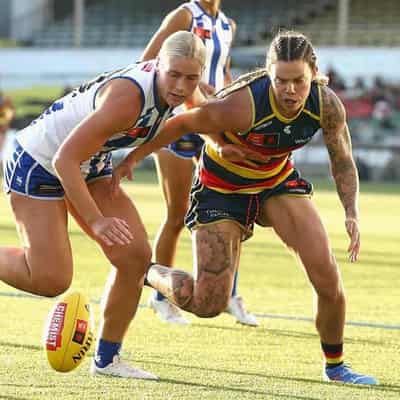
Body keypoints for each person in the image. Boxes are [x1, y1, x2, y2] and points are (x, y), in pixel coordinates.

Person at [112, 31, 378, 385]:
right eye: (280, 80)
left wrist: (351, 212)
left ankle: (336, 367)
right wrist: (133, 158)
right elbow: (182, 123)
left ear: (313, 73)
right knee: (208, 303)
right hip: (221, 191)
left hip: (275, 184)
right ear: (268, 74)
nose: (289, 90)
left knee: (327, 276)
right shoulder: (241, 106)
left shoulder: (326, 105)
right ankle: (145, 272)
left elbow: (343, 160)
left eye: (298, 80)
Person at [1, 31, 206, 379]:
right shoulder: (127, 98)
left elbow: (185, 120)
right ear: (157, 64)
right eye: (174, 74)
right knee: (51, 280)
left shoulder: (178, 88)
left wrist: (133, 158)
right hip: (39, 162)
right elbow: (65, 159)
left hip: (90, 163)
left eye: (192, 78)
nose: (182, 86)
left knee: (135, 257)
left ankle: (107, 361)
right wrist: (95, 222)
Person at [140, 0, 258, 326]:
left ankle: (230, 293)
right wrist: (189, 85)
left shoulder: (227, 25)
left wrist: (232, 97)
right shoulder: (184, 15)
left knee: (233, 214)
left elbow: (224, 71)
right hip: (179, 122)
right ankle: (160, 297)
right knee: (177, 214)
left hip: (215, 124)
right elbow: (148, 60)